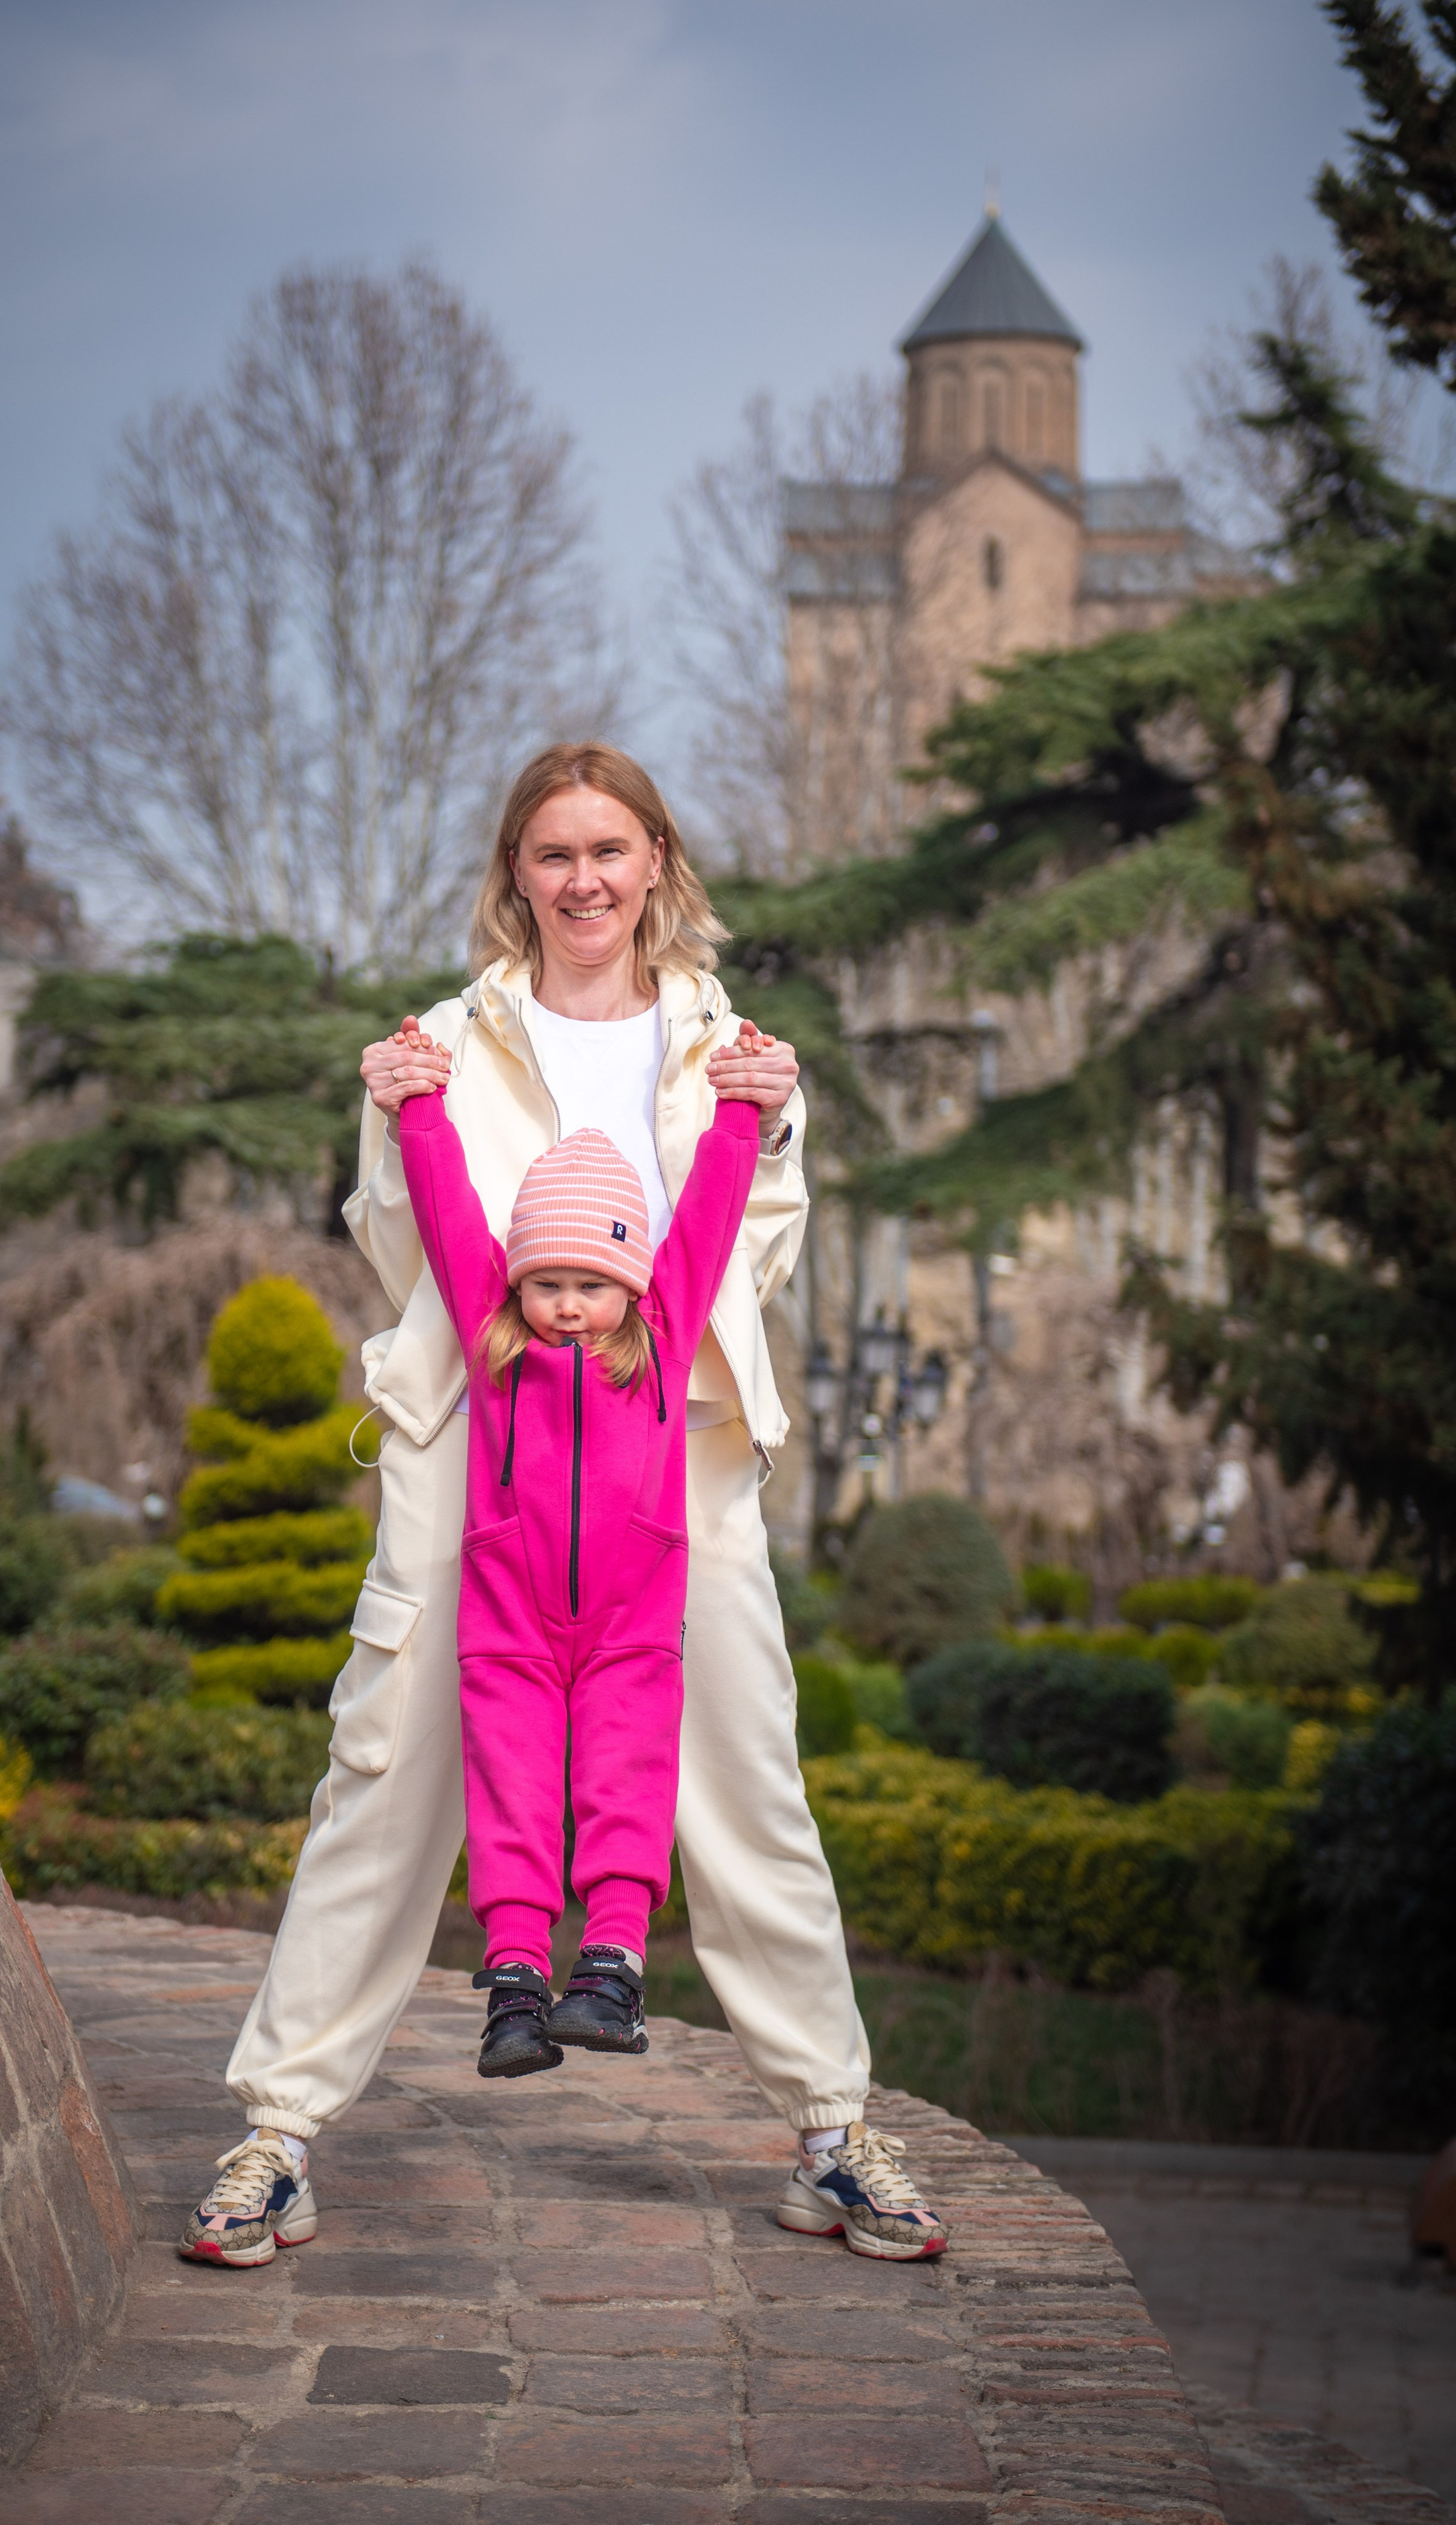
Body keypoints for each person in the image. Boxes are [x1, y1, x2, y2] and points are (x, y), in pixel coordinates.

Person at [180, 740, 947, 2272]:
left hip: (673, 1472)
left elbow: (755, 1259)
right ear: (514, 873)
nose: (583, 879)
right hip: (478, 1457)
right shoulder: (447, 1041)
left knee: (744, 1792)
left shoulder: (715, 1039)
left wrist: (775, 1122)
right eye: (553, 854)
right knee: (383, 1783)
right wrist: (386, 1111)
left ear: (655, 859)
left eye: (610, 849)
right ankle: (275, 2133)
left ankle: (828, 2131)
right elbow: (406, 1256)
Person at [396, 1077, 760, 2076]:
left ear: (631, 1285)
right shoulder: (494, 1346)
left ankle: (610, 1972)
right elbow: (449, 1214)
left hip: (632, 1624)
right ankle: (513, 1984)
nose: (566, 1304)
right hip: (509, 1623)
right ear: (515, 1284)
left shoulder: (663, 1339)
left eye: (590, 1283)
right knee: (509, 1792)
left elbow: (709, 1219)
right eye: (546, 1281)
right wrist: (418, 1112)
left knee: (625, 1784)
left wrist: (741, 1116)